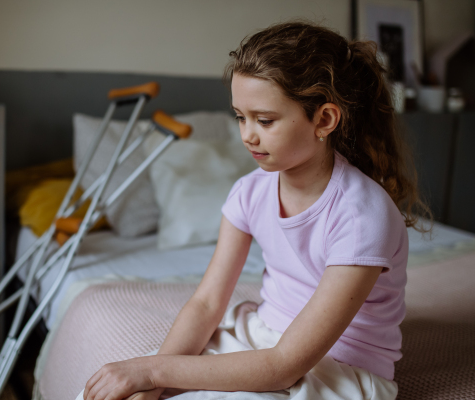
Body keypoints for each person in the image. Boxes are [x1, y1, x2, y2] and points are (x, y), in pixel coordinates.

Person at [81, 21, 431, 400]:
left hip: (336, 370)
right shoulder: (249, 192)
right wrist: (152, 383)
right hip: (261, 339)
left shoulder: (363, 214)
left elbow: (283, 367)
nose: (247, 135)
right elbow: (206, 303)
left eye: (265, 120)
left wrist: (152, 371)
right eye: (240, 117)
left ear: (324, 120)